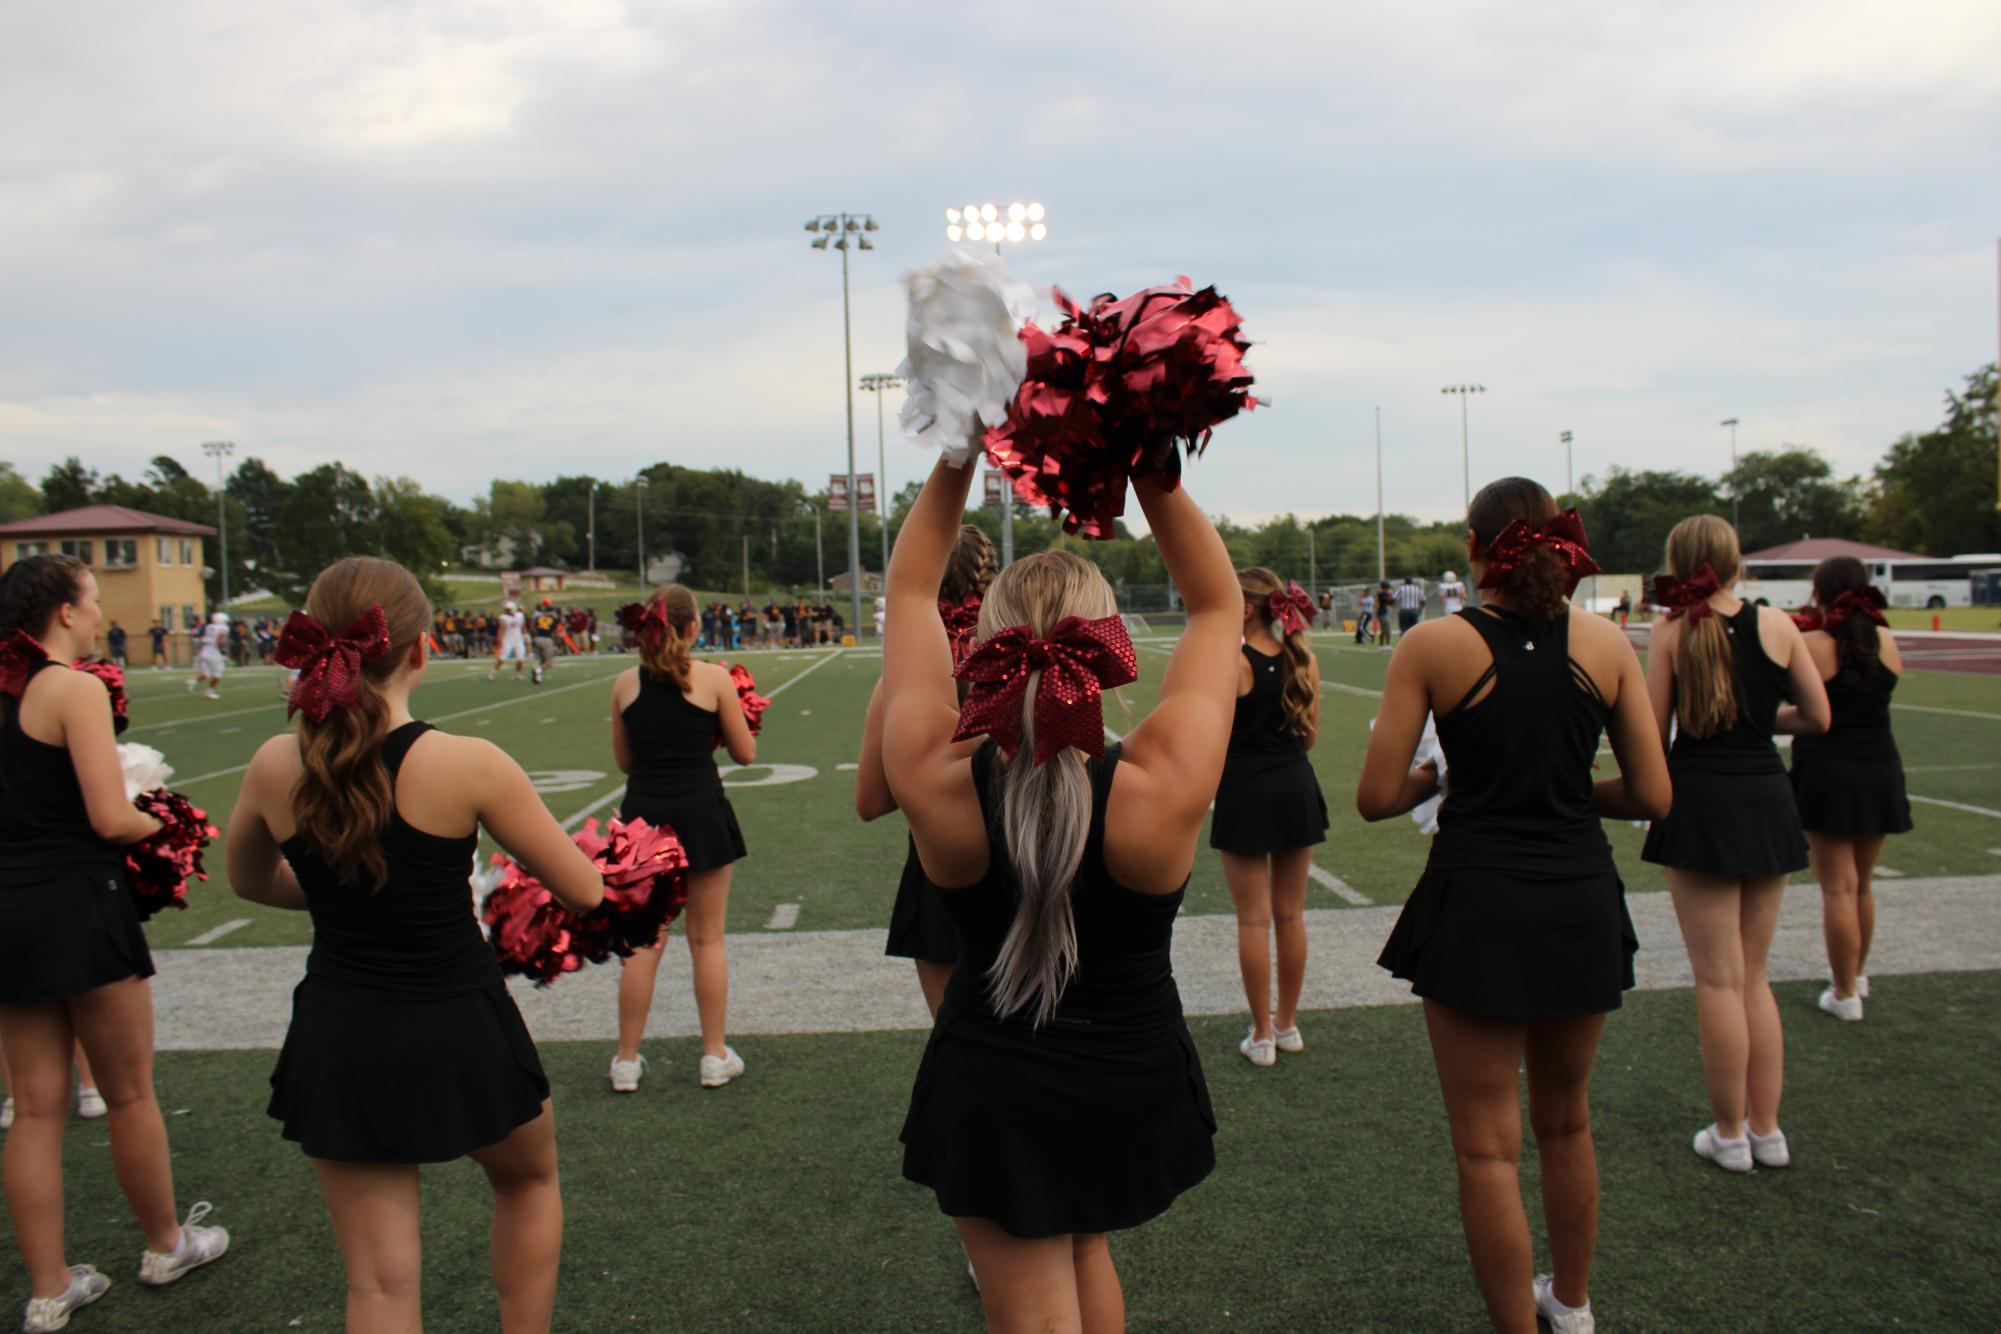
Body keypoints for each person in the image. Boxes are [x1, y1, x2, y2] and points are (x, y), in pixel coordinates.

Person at [886, 455, 1238, 1330]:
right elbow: (1217, 604)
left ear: (980, 646)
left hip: (996, 1087)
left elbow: (906, 594)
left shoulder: (935, 779)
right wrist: (1146, 461)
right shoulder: (1160, 784)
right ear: (1108, 645)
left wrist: (956, 455)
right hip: (1132, 1073)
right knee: (1086, 1250)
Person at [226, 556, 604, 1332]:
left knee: (378, 1286)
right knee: (527, 1185)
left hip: (339, 1029)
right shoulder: (467, 763)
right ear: (422, 650)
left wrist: (348, 899)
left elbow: (248, 882)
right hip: (456, 1020)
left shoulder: (272, 763)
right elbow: (586, 890)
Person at [1362, 480, 1670, 1334]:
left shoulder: (1432, 643)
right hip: (1578, 894)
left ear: (1474, 545)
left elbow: (1376, 796)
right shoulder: (1605, 642)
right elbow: (1653, 792)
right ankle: (1570, 1306)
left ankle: (1516, 1325)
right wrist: (1569, 791)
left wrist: (1446, 775)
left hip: (1476, 903)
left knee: (1485, 1146)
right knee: (1567, 1125)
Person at [0, 554, 231, 1334]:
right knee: (128, 1092)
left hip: (6, 908)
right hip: (78, 904)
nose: (99, 613)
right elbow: (108, 816)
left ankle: (48, 1288)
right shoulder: (73, 686)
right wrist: (166, 821)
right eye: (92, 600)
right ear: (63, 612)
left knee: (33, 1110)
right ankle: (166, 1243)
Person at [1642, 515, 1829, 1174]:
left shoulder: (1669, 630)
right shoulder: (1776, 624)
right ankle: (1766, 1130)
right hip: (1764, 799)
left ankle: (1727, 1134)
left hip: (1701, 803)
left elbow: (1653, 728)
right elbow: (1816, 716)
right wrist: (1755, 718)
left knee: (1717, 982)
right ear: (1734, 562)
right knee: (1753, 977)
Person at [607, 584, 757, 1093]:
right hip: (700, 814)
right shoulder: (714, 678)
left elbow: (625, 762)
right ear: (694, 627)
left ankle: (626, 1060)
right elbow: (745, 755)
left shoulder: (625, 684)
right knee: (707, 938)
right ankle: (713, 1055)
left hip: (642, 820)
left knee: (644, 942)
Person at [857, 524, 996, 1017]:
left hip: (937, 868)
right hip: (1033, 858)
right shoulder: (1035, 665)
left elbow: (870, 802)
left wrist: (925, 771)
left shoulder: (899, 683)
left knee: (956, 1042)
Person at [1212, 569, 1327, 1067]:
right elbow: (1308, 739)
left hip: (1246, 792)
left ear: (1244, 608)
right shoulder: (1304, 659)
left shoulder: (1232, 663)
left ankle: (1261, 1035)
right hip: (1296, 787)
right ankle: (1287, 1025)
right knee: (1290, 915)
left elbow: (1213, 737)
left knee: (1254, 920)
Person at [1789, 557, 1911, 1021]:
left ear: (1821, 592)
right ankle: (1855, 975)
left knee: (1837, 888)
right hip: (1880, 768)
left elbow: (1797, 705)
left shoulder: (1811, 644)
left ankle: (1844, 994)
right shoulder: (1888, 640)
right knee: (1861, 886)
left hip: (1828, 772)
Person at [186, 612, 228, 699]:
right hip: (214, 652)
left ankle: (192, 681)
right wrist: (222, 651)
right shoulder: (223, 628)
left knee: (206, 673)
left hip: (205, 651)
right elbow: (220, 641)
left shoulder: (208, 627)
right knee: (218, 673)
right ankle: (209, 692)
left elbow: (203, 638)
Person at [489, 601, 528, 681]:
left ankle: (518, 674)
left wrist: (526, 635)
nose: (506, 611)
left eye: (508, 609)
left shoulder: (520, 616)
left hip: (518, 639)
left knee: (521, 658)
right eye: (506, 609)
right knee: (502, 658)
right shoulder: (503, 617)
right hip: (508, 640)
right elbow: (501, 629)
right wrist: (499, 639)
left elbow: (522, 626)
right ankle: (493, 672)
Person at [528, 600, 560, 685]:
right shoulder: (554, 620)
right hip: (547, 640)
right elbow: (556, 633)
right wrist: (557, 643)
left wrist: (533, 638)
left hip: (537, 639)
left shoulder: (538, 618)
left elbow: (531, 629)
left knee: (543, 660)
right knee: (548, 663)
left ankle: (538, 678)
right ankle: (537, 670)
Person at [1374, 581, 1395, 646]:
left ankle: (1382, 644)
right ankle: (1387, 644)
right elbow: (1390, 602)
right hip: (1382, 613)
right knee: (1387, 629)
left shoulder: (1381, 593)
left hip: (1381, 613)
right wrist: (1392, 597)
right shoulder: (1382, 594)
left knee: (1383, 629)